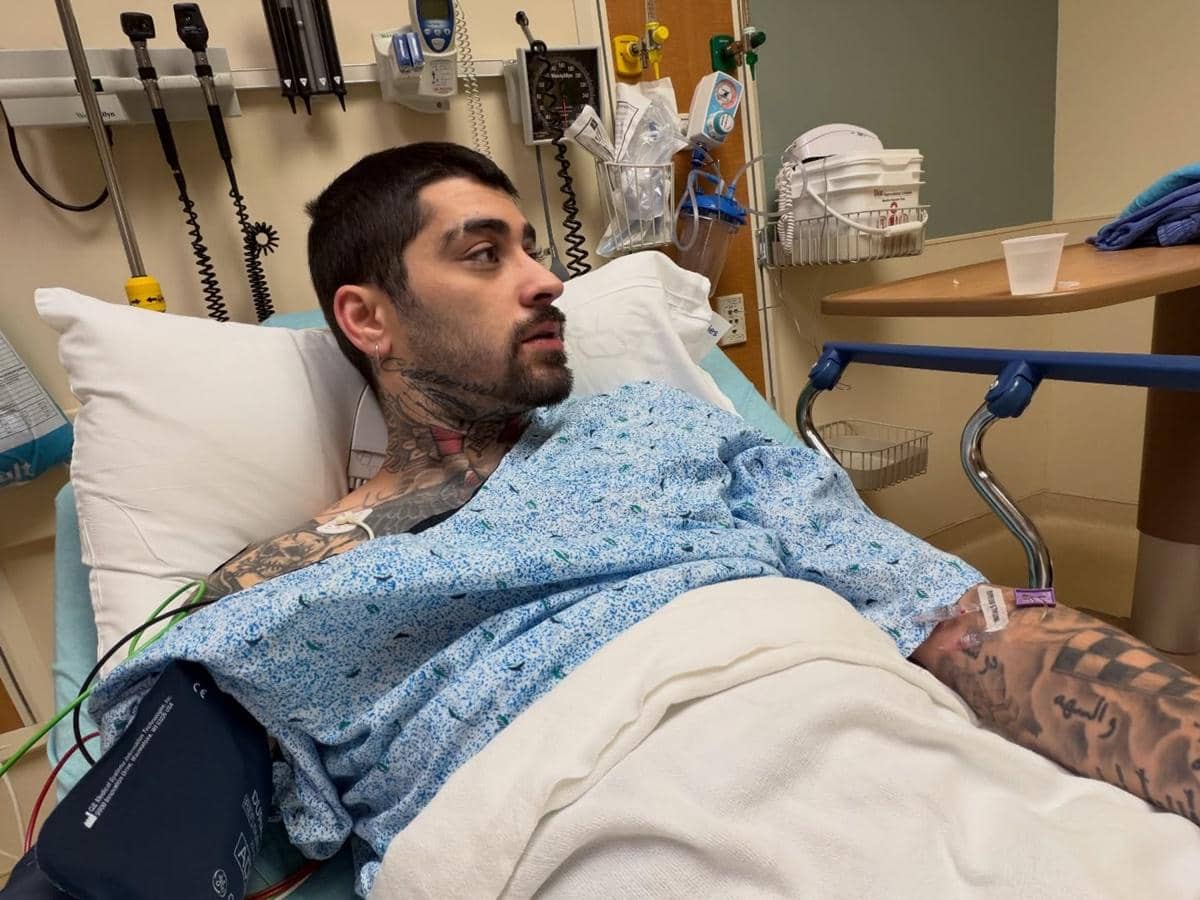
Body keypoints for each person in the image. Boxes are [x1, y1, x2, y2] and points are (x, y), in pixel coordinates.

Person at [8, 143, 1196, 899]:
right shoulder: (276, 587)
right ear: (367, 318)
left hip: (892, 756)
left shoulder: (663, 430)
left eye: (533, 247)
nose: (545, 279)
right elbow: (146, 827)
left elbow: (965, 622)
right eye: (485, 253)